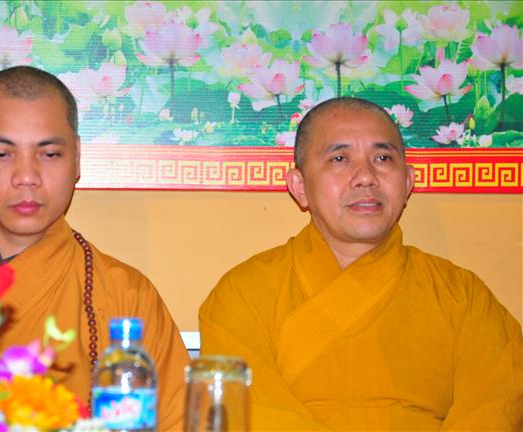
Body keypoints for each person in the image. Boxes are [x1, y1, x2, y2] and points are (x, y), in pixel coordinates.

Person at [0, 66, 189, 430]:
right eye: (1, 154)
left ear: (77, 158)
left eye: (49, 154)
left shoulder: (127, 298)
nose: (26, 177)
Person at [199, 97, 522, 430]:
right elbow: (250, 413)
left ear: (408, 182)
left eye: (382, 158)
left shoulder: (463, 298)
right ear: (299, 187)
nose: (366, 177)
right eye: (339, 158)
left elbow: (496, 407)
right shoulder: (243, 293)